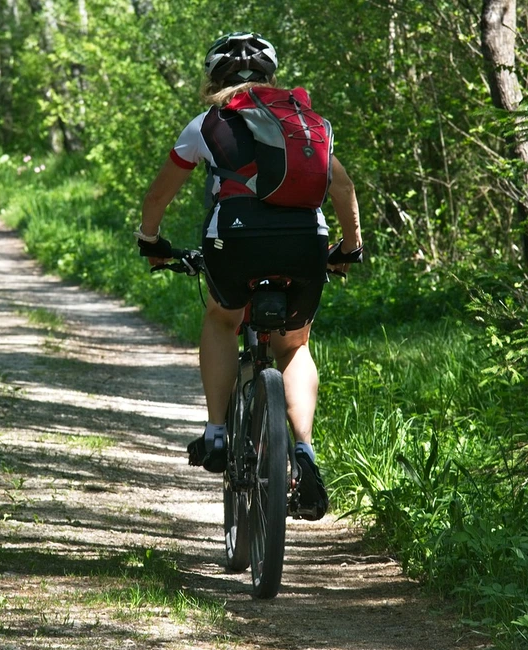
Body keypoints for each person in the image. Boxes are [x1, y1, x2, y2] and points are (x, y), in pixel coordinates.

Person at [135, 32, 363, 520]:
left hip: (234, 243)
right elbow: (341, 186)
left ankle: (217, 432)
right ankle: (304, 451)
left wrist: (151, 243)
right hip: (306, 243)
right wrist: (349, 249)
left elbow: (158, 198)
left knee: (222, 318)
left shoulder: (206, 124)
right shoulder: (304, 122)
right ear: (270, 77)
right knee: (294, 346)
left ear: (213, 79)